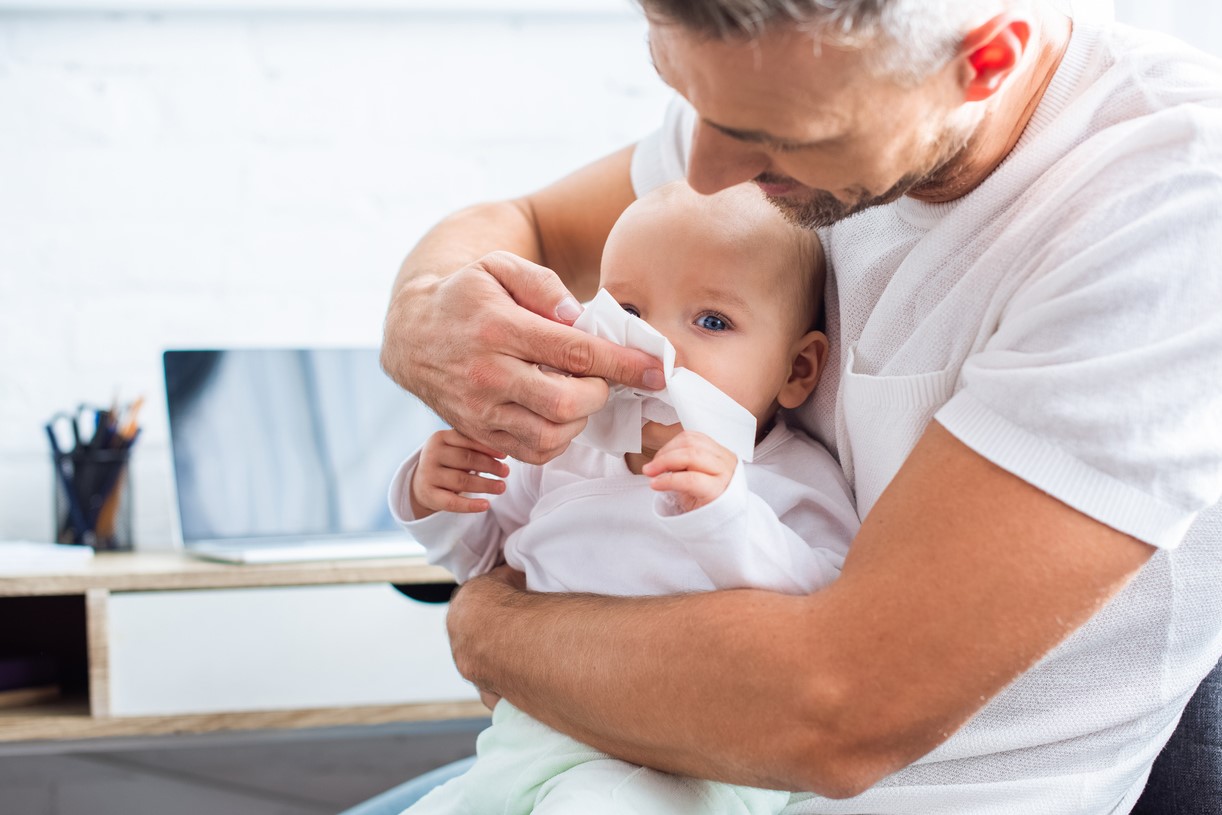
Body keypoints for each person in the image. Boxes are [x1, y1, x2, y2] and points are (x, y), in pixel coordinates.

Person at [379, 1, 1222, 812]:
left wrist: (489, 628)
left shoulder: (1168, 211)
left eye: (778, 136)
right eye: (688, 97)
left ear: (984, 63)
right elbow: (520, 222)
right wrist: (422, 313)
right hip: (580, 745)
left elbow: (834, 712)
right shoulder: (775, 95)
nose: (706, 170)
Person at [388, 181, 859, 814]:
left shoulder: (784, 478)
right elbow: (484, 567)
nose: (655, 350)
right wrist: (440, 497)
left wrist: (728, 518)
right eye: (629, 314)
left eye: (712, 321)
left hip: (685, 773)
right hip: (527, 742)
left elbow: (824, 607)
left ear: (797, 370)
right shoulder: (566, 448)